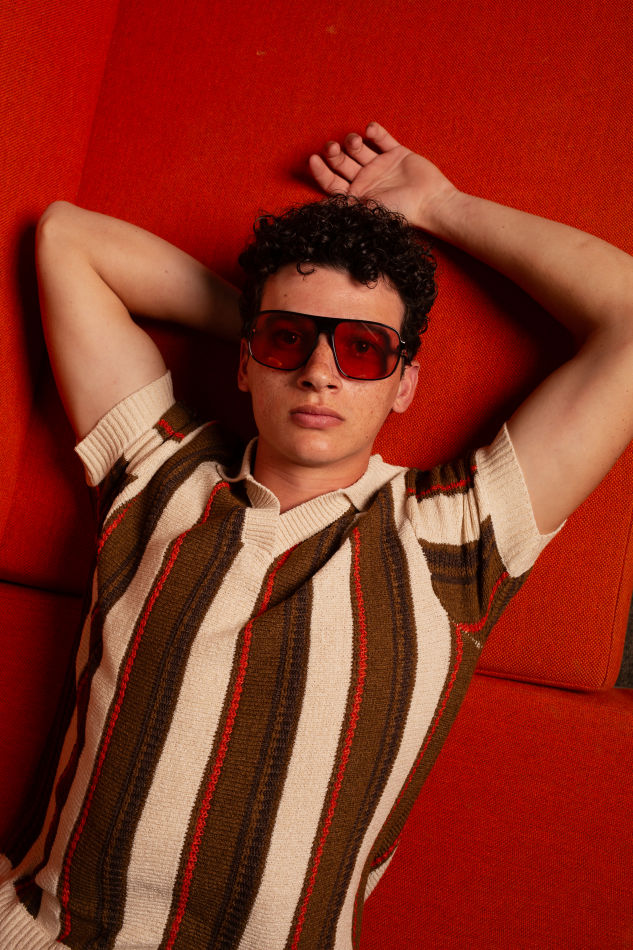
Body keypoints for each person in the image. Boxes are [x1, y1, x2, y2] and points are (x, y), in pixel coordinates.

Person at [1, 122, 632, 949]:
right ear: (244, 360)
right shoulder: (158, 470)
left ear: (405, 385)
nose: (321, 372)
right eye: (288, 343)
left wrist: (442, 205)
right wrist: (273, 327)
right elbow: (66, 240)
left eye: (363, 349)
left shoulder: (455, 534)